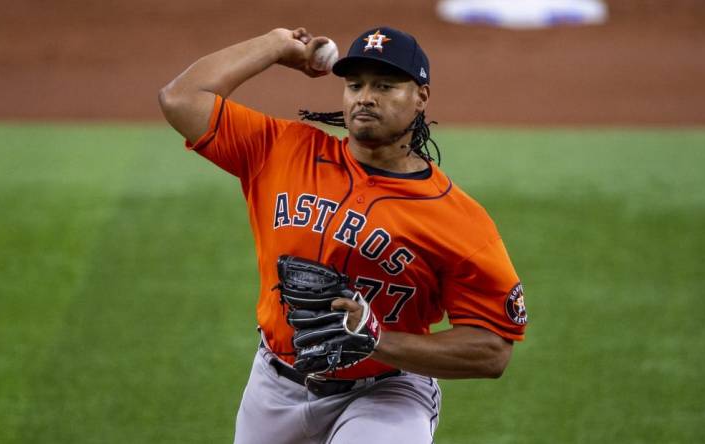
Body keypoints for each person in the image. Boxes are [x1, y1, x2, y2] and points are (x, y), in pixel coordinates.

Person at [159, 25, 528, 444]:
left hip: (387, 392)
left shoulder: (458, 219)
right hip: (274, 387)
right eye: (355, 85)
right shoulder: (282, 150)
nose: (365, 97)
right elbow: (180, 98)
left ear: (421, 97)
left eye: (385, 86)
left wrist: (378, 340)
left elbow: (492, 351)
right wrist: (277, 45)